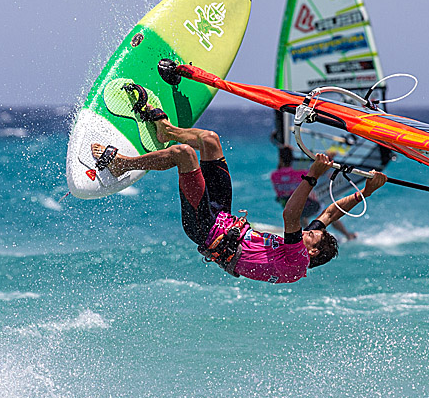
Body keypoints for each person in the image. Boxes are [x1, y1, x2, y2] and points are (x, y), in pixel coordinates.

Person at [91, 87, 386, 284]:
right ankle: (167, 130)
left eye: (312, 237)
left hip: (205, 229)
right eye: (312, 232)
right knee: (210, 141)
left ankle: (121, 165)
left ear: (312, 253)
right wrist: (367, 192)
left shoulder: (296, 262)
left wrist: (312, 175)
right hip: (223, 216)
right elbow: (332, 212)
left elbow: (290, 217)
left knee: (185, 155)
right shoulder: (306, 245)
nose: (310, 231)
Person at [270, 145, 357, 240]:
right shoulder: (300, 174)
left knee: (299, 213)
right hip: (308, 206)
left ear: (280, 159)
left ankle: (305, 234)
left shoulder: (274, 176)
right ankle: (347, 235)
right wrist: (330, 158)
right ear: (292, 159)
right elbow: (318, 171)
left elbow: (283, 178)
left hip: (289, 208)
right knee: (328, 214)